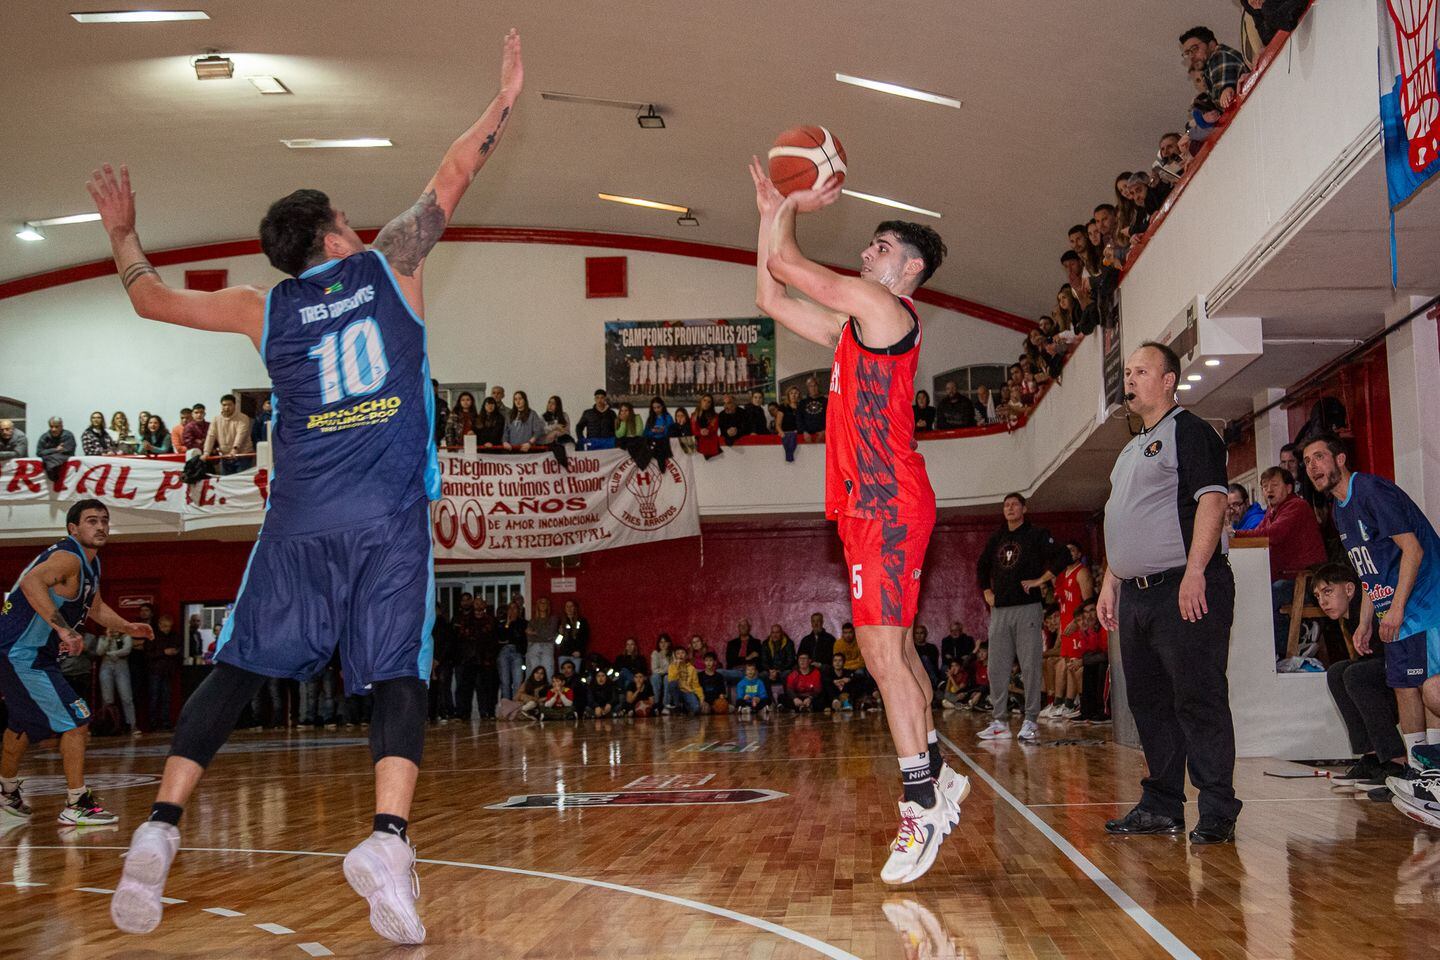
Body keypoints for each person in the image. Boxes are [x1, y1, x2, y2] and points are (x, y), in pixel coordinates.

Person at [93, 28, 523, 944]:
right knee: (399, 672)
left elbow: (147, 297)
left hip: (296, 524)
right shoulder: (392, 266)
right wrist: (503, 102)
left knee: (239, 666)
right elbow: (454, 172)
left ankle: (159, 831)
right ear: (334, 231)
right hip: (386, 515)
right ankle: (388, 841)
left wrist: (123, 232)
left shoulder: (263, 308)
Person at [750, 158, 967, 886]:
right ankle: (938, 774)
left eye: (880, 246)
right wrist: (767, 211)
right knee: (896, 656)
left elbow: (786, 261)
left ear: (907, 271)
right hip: (867, 505)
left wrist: (791, 204)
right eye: (870, 244)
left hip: (887, 502)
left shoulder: (887, 313)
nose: (868, 252)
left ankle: (920, 808)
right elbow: (770, 293)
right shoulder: (853, 331)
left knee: (879, 659)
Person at [1097, 341, 1241, 845]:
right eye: (1128, 371)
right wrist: (1111, 580)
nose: (1130, 379)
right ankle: (1161, 804)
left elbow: (1212, 500)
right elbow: (1123, 518)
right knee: (1149, 703)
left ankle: (1218, 807)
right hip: (1137, 596)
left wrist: (1196, 571)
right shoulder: (1130, 448)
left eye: (1141, 371)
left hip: (1183, 586)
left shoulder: (1191, 431)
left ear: (1168, 381)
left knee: (1198, 697)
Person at [1302, 433, 1440, 814]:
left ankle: (1436, 771)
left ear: (1341, 458)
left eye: (1319, 457)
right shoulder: (1340, 511)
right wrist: (1366, 619)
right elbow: (1368, 573)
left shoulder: (1372, 491)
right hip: (1394, 609)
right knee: (1403, 687)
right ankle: (1418, 773)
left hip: (1425, 603)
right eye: (1307, 461)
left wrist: (1396, 609)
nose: (1312, 466)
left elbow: (1413, 550)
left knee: (1428, 688)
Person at [0, 501, 151, 827]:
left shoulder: (91, 564)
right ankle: (76, 802)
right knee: (77, 719)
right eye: (91, 521)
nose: (100, 526)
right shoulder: (68, 557)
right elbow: (30, 583)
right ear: (73, 528)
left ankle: (5, 791)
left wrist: (128, 627)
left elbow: (95, 608)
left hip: (33, 655)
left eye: (105, 521)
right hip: (21, 654)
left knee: (22, 724)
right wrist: (63, 628)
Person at [975, 493, 1068, 741]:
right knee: (997, 666)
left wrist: (1041, 580)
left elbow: (1063, 556)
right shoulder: (997, 538)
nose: (1010, 508)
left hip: (1027, 607)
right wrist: (987, 591)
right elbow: (982, 566)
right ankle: (999, 722)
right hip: (1000, 610)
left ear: (1024, 508)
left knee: (1029, 664)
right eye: (1006, 505)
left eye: (1015, 504)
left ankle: (1030, 720)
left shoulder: (1036, 535)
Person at [1312, 562, 1407, 794]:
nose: (1322, 602)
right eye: (1317, 596)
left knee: (1356, 674)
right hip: (1382, 674)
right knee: (1337, 673)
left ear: (1350, 589)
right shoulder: (1349, 618)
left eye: (1328, 592)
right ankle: (1372, 756)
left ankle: (1397, 760)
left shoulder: (1367, 612)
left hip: (1403, 670)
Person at [1244, 466, 1327, 659]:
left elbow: (1271, 535)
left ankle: (1282, 653)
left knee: (1270, 594)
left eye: (1274, 485)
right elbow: (1260, 534)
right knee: (1258, 593)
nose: (1268, 490)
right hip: (1287, 579)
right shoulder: (1272, 512)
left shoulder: (1296, 506)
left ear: (1289, 488)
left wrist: (1234, 534)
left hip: (1307, 582)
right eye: (1264, 487)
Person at [1043, 542, 1094, 720]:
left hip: (1077, 626)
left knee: (1073, 665)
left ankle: (1071, 704)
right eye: (1066, 551)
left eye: (1072, 550)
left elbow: (1088, 603)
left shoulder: (1082, 572)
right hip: (1066, 626)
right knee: (1066, 663)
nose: (1069, 554)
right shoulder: (1062, 575)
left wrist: (1078, 622)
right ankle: (1061, 703)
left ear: (1079, 553)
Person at [96, 629, 139, 734]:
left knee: (126, 697)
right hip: (106, 667)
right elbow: (99, 652)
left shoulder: (126, 637)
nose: (113, 630)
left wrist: (110, 653)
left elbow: (126, 650)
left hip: (121, 666)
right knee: (107, 699)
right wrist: (108, 639)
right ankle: (108, 726)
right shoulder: (103, 638)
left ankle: (132, 725)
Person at [202, 394, 255, 474]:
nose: (226, 407)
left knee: (240, 482)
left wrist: (234, 449)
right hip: (225, 456)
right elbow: (211, 436)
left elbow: (241, 434)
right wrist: (206, 452)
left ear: (234, 405)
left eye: (229, 405)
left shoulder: (243, 418)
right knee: (225, 481)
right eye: (224, 405)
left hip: (243, 455)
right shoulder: (216, 419)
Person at [147, 613, 182, 731]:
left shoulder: (174, 636)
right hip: (155, 671)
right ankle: (152, 723)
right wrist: (163, 652)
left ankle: (165, 722)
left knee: (166, 698)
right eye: (165, 626)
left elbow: (179, 648)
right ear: (159, 625)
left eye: (169, 626)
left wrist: (175, 652)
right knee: (154, 697)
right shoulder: (152, 637)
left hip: (168, 671)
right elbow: (147, 654)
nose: (167, 629)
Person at [525, 596, 559, 683]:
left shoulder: (553, 619)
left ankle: (547, 694)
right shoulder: (533, 620)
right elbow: (529, 636)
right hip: (533, 646)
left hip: (548, 646)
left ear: (548, 605)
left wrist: (534, 632)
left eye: (545, 603)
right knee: (533, 671)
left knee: (548, 670)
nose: (543, 605)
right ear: (537, 605)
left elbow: (550, 634)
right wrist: (543, 634)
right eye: (541, 602)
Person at [663, 647, 704, 716]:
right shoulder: (672, 666)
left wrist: (701, 698)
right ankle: (677, 706)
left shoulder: (692, 668)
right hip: (677, 692)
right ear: (675, 656)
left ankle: (684, 707)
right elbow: (671, 681)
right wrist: (677, 666)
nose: (680, 655)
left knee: (696, 709)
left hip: (687, 691)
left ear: (686, 655)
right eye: (678, 653)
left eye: (682, 653)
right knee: (672, 683)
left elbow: (696, 685)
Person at [760, 624, 797, 698]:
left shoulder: (789, 643)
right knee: (762, 675)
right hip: (770, 671)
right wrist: (770, 670)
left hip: (783, 670)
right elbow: (763, 661)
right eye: (773, 632)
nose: (775, 635)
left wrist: (778, 671)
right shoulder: (765, 644)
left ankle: (788, 699)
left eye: (777, 632)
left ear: (781, 633)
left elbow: (791, 661)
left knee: (787, 674)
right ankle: (769, 701)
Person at [557, 599, 589, 673]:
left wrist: (579, 651)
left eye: (571, 606)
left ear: (575, 608)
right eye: (567, 606)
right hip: (564, 654)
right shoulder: (561, 621)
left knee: (575, 676)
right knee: (563, 677)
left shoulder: (582, 621)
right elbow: (557, 643)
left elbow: (585, 638)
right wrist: (560, 634)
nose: (569, 608)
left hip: (576, 654)